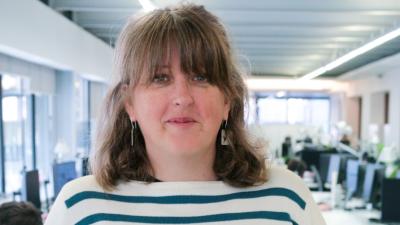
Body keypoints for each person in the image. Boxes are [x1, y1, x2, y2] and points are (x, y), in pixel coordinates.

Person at [45, 4, 325, 225]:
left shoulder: (286, 199)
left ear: (227, 98)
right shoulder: (80, 207)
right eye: (160, 78)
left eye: (201, 76)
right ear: (129, 103)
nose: (182, 98)